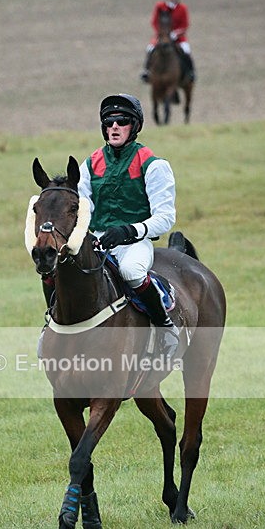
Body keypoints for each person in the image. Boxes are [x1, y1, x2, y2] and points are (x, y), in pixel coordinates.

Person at [77, 93, 179, 358]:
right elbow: (82, 207)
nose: (114, 127)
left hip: (134, 243)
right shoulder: (89, 165)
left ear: (134, 126)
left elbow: (165, 218)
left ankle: (165, 327)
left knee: (132, 271)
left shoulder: (154, 165)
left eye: (122, 121)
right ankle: (51, 329)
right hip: (98, 240)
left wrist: (129, 230)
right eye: (109, 122)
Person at [141, 0, 195, 84]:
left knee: (186, 50)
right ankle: (146, 71)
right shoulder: (160, 6)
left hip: (178, 38)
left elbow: (185, 25)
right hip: (162, 36)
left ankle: (191, 72)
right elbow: (154, 22)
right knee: (150, 48)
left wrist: (176, 33)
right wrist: (161, 33)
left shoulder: (182, 8)